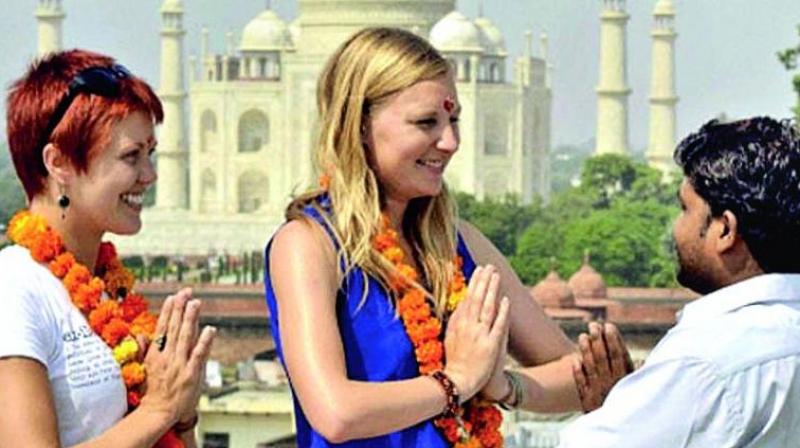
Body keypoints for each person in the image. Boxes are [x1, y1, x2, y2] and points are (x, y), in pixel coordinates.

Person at [265, 27, 630, 447]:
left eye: (452, 120)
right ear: (359, 124)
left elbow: (577, 370)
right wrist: (456, 382)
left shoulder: (456, 245)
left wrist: (504, 386)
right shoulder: (310, 245)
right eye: (426, 123)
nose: (450, 142)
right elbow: (335, 412)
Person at [0, 49, 216, 447]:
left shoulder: (104, 285)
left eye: (150, 154)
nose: (149, 175)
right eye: (131, 156)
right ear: (59, 162)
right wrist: (159, 410)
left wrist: (181, 417)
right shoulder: (15, 289)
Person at [559, 117, 800, 447]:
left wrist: (613, 414)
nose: (676, 228)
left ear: (725, 230)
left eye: (685, 209)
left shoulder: (703, 361)